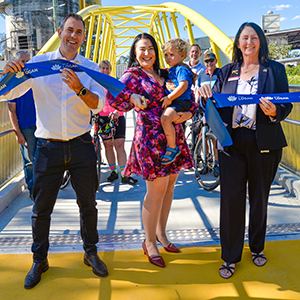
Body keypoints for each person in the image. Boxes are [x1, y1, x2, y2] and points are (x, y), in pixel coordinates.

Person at [1, 13, 109, 289]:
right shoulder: (37, 64)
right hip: (47, 147)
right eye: (69, 30)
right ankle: (40, 260)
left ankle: (91, 252)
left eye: (79, 32)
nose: (74, 36)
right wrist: (8, 72)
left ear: (83, 37)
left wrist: (78, 89)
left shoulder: (90, 68)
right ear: (60, 31)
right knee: (41, 208)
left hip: (82, 145)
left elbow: (97, 104)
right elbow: (9, 94)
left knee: (88, 204)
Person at [199, 22, 292, 279]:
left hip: (264, 142)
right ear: (238, 43)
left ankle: (257, 247)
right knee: (231, 201)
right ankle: (230, 256)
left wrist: (276, 112)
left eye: (253, 37)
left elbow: (285, 103)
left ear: (260, 41)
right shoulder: (226, 71)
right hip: (231, 143)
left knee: (260, 198)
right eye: (244, 38)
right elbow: (214, 102)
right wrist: (205, 93)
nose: (249, 42)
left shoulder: (275, 70)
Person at [107, 33, 198, 268]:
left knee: (168, 190)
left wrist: (190, 112)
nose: (147, 53)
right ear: (135, 53)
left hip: (173, 138)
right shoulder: (133, 75)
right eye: (141, 49)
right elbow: (113, 96)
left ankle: (162, 234)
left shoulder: (166, 73)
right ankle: (149, 242)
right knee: (155, 192)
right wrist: (132, 96)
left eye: (150, 48)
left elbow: (187, 96)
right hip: (150, 140)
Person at [97, 60, 138, 185]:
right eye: (103, 68)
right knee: (108, 146)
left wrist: (116, 111)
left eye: (107, 68)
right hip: (103, 118)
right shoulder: (96, 85)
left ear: (110, 69)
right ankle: (113, 171)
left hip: (117, 116)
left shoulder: (115, 83)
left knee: (119, 144)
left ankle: (124, 174)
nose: (105, 70)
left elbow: (122, 99)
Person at [7, 51, 36, 200]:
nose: (25, 64)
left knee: (43, 159)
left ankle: (43, 188)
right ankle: (32, 190)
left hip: (42, 126)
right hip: (25, 128)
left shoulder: (35, 78)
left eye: (27, 61)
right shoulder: (13, 83)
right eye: (22, 61)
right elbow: (11, 110)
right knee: (30, 161)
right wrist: (17, 132)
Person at [160, 38, 194, 164]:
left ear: (182, 56)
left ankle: (172, 148)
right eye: (166, 55)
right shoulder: (173, 69)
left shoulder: (181, 69)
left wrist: (169, 97)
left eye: (172, 55)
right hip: (177, 102)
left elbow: (183, 86)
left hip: (181, 102)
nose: (168, 58)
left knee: (165, 118)